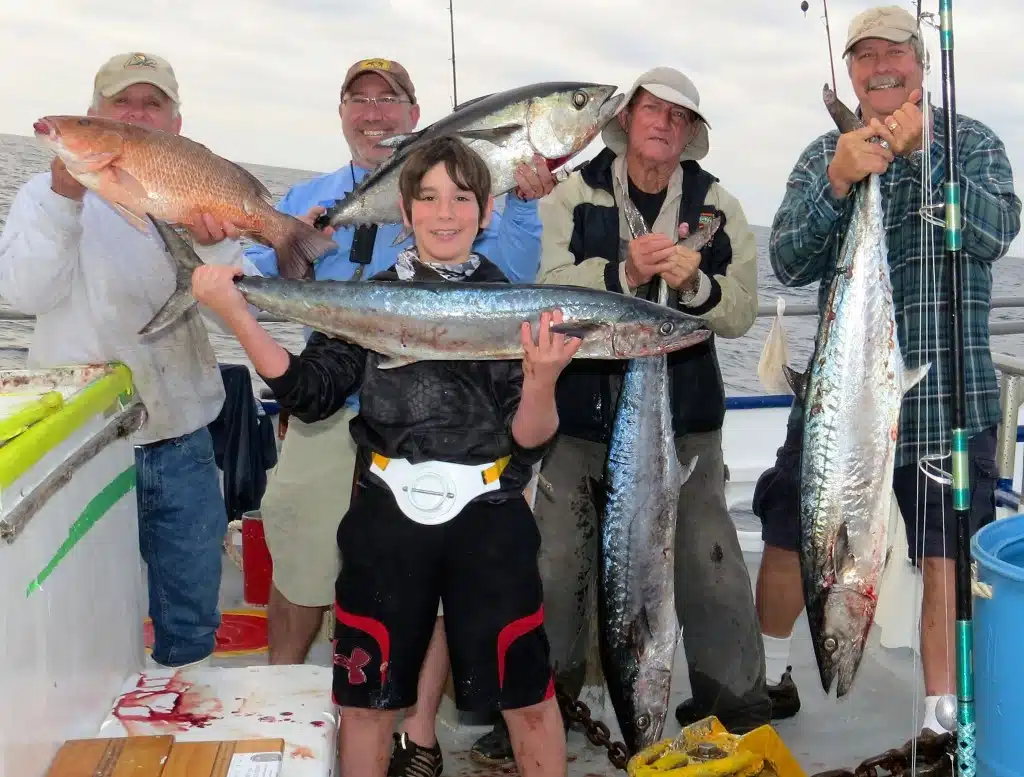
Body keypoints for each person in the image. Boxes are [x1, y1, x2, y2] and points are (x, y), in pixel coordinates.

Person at [192, 135, 577, 777]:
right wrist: (238, 315)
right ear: (406, 212)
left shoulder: (519, 306)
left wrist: (540, 381)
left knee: (528, 700)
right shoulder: (367, 297)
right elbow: (311, 394)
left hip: (490, 516)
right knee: (366, 704)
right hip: (385, 517)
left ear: (486, 213)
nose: (445, 212)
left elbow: (530, 439)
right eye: (428, 198)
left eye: (462, 197)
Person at [470, 65, 771, 764]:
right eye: (651, 110)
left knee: (709, 557)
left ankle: (736, 701)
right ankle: (543, 701)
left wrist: (691, 279)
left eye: (677, 116)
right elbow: (544, 288)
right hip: (576, 418)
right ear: (627, 118)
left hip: (686, 423)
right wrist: (627, 276)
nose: (662, 123)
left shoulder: (717, 204)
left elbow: (741, 310)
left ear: (691, 134)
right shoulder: (572, 192)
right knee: (554, 560)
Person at [753, 4, 1021, 736]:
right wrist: (838, 181)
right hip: (841, 408)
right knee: (789, 530)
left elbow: (997, 229)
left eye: (894, 54)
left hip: (944, 399)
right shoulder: (822, 154)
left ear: (921, 63)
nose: (880, 69)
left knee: (943, 554)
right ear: (850, 73)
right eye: (864, 57)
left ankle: (940, 721)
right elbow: (786, 260)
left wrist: (924, 157)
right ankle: (770, 676)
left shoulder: (969, 142)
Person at [0, 51, 248, 668]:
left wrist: (221, 242)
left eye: (152, 104)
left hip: (182, 433)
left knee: (192, 606)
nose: (136, 113)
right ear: (94, 118)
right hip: (86, 441)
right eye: (120, 104)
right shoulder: (41, 196)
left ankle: (185, 711)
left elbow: (233, 316)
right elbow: (23, 294)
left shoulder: (196, 202)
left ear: (175, 126)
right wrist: (63, 199)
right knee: (83, 603)